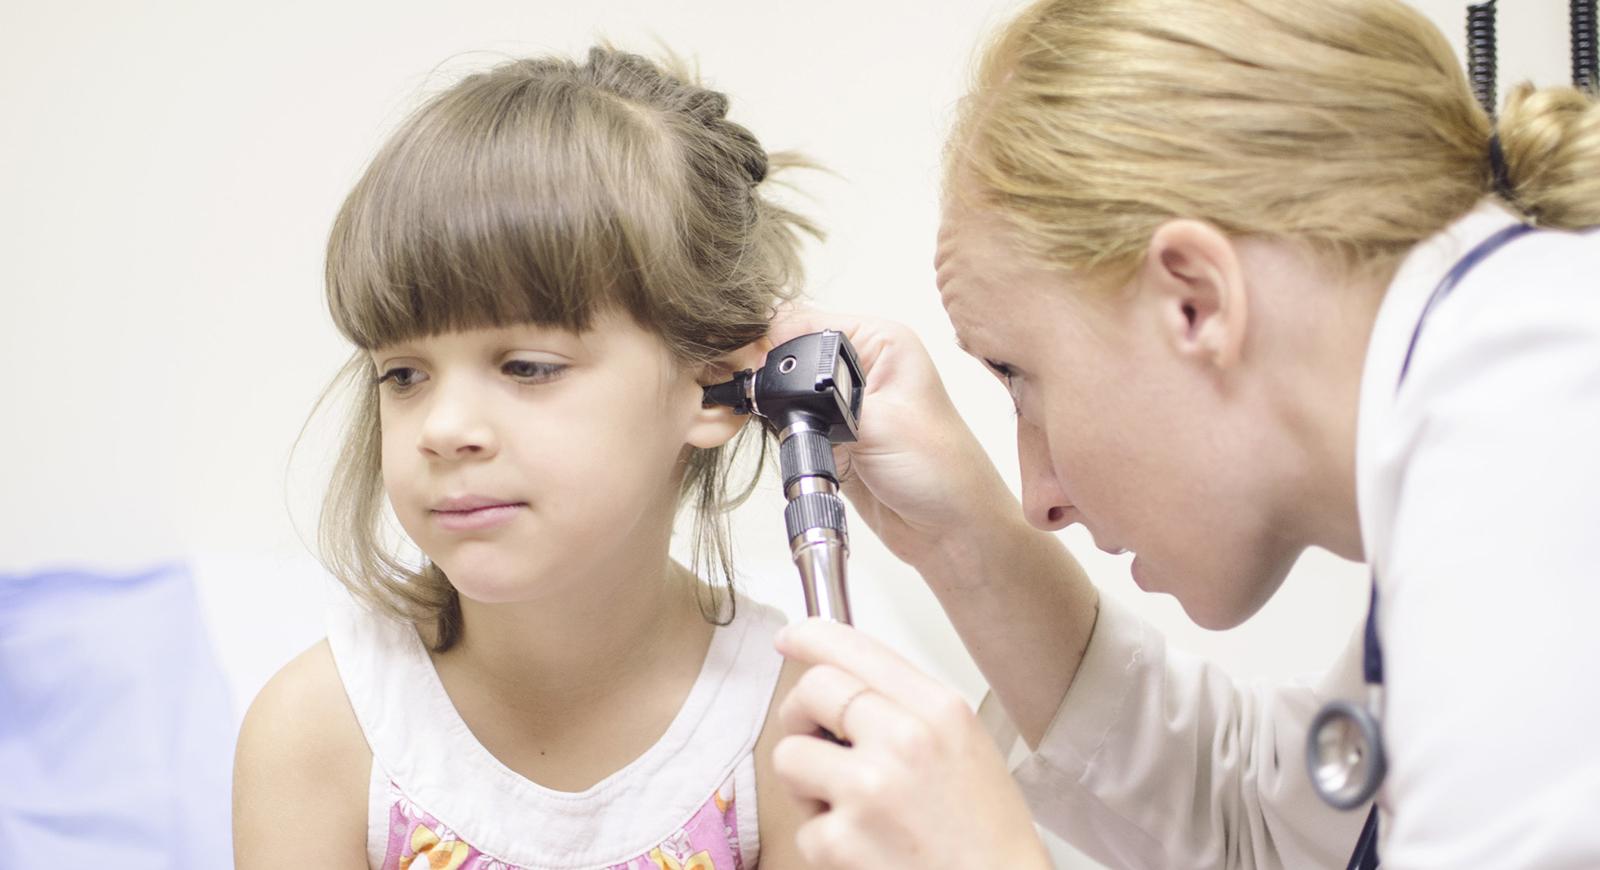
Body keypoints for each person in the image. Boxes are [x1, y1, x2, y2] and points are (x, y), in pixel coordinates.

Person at [766, 0, 1600, 866]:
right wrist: (964, 536)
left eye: (1022, 379)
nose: (1039, 499)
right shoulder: (1503, 410)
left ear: (1195, 302)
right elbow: (1291, 834)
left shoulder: (1541, 478)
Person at [232, 47, 820, 869]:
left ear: (714, 381)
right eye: (403, 374)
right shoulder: (321, 734)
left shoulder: (792, 729)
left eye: (527, 368)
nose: (443, 427)